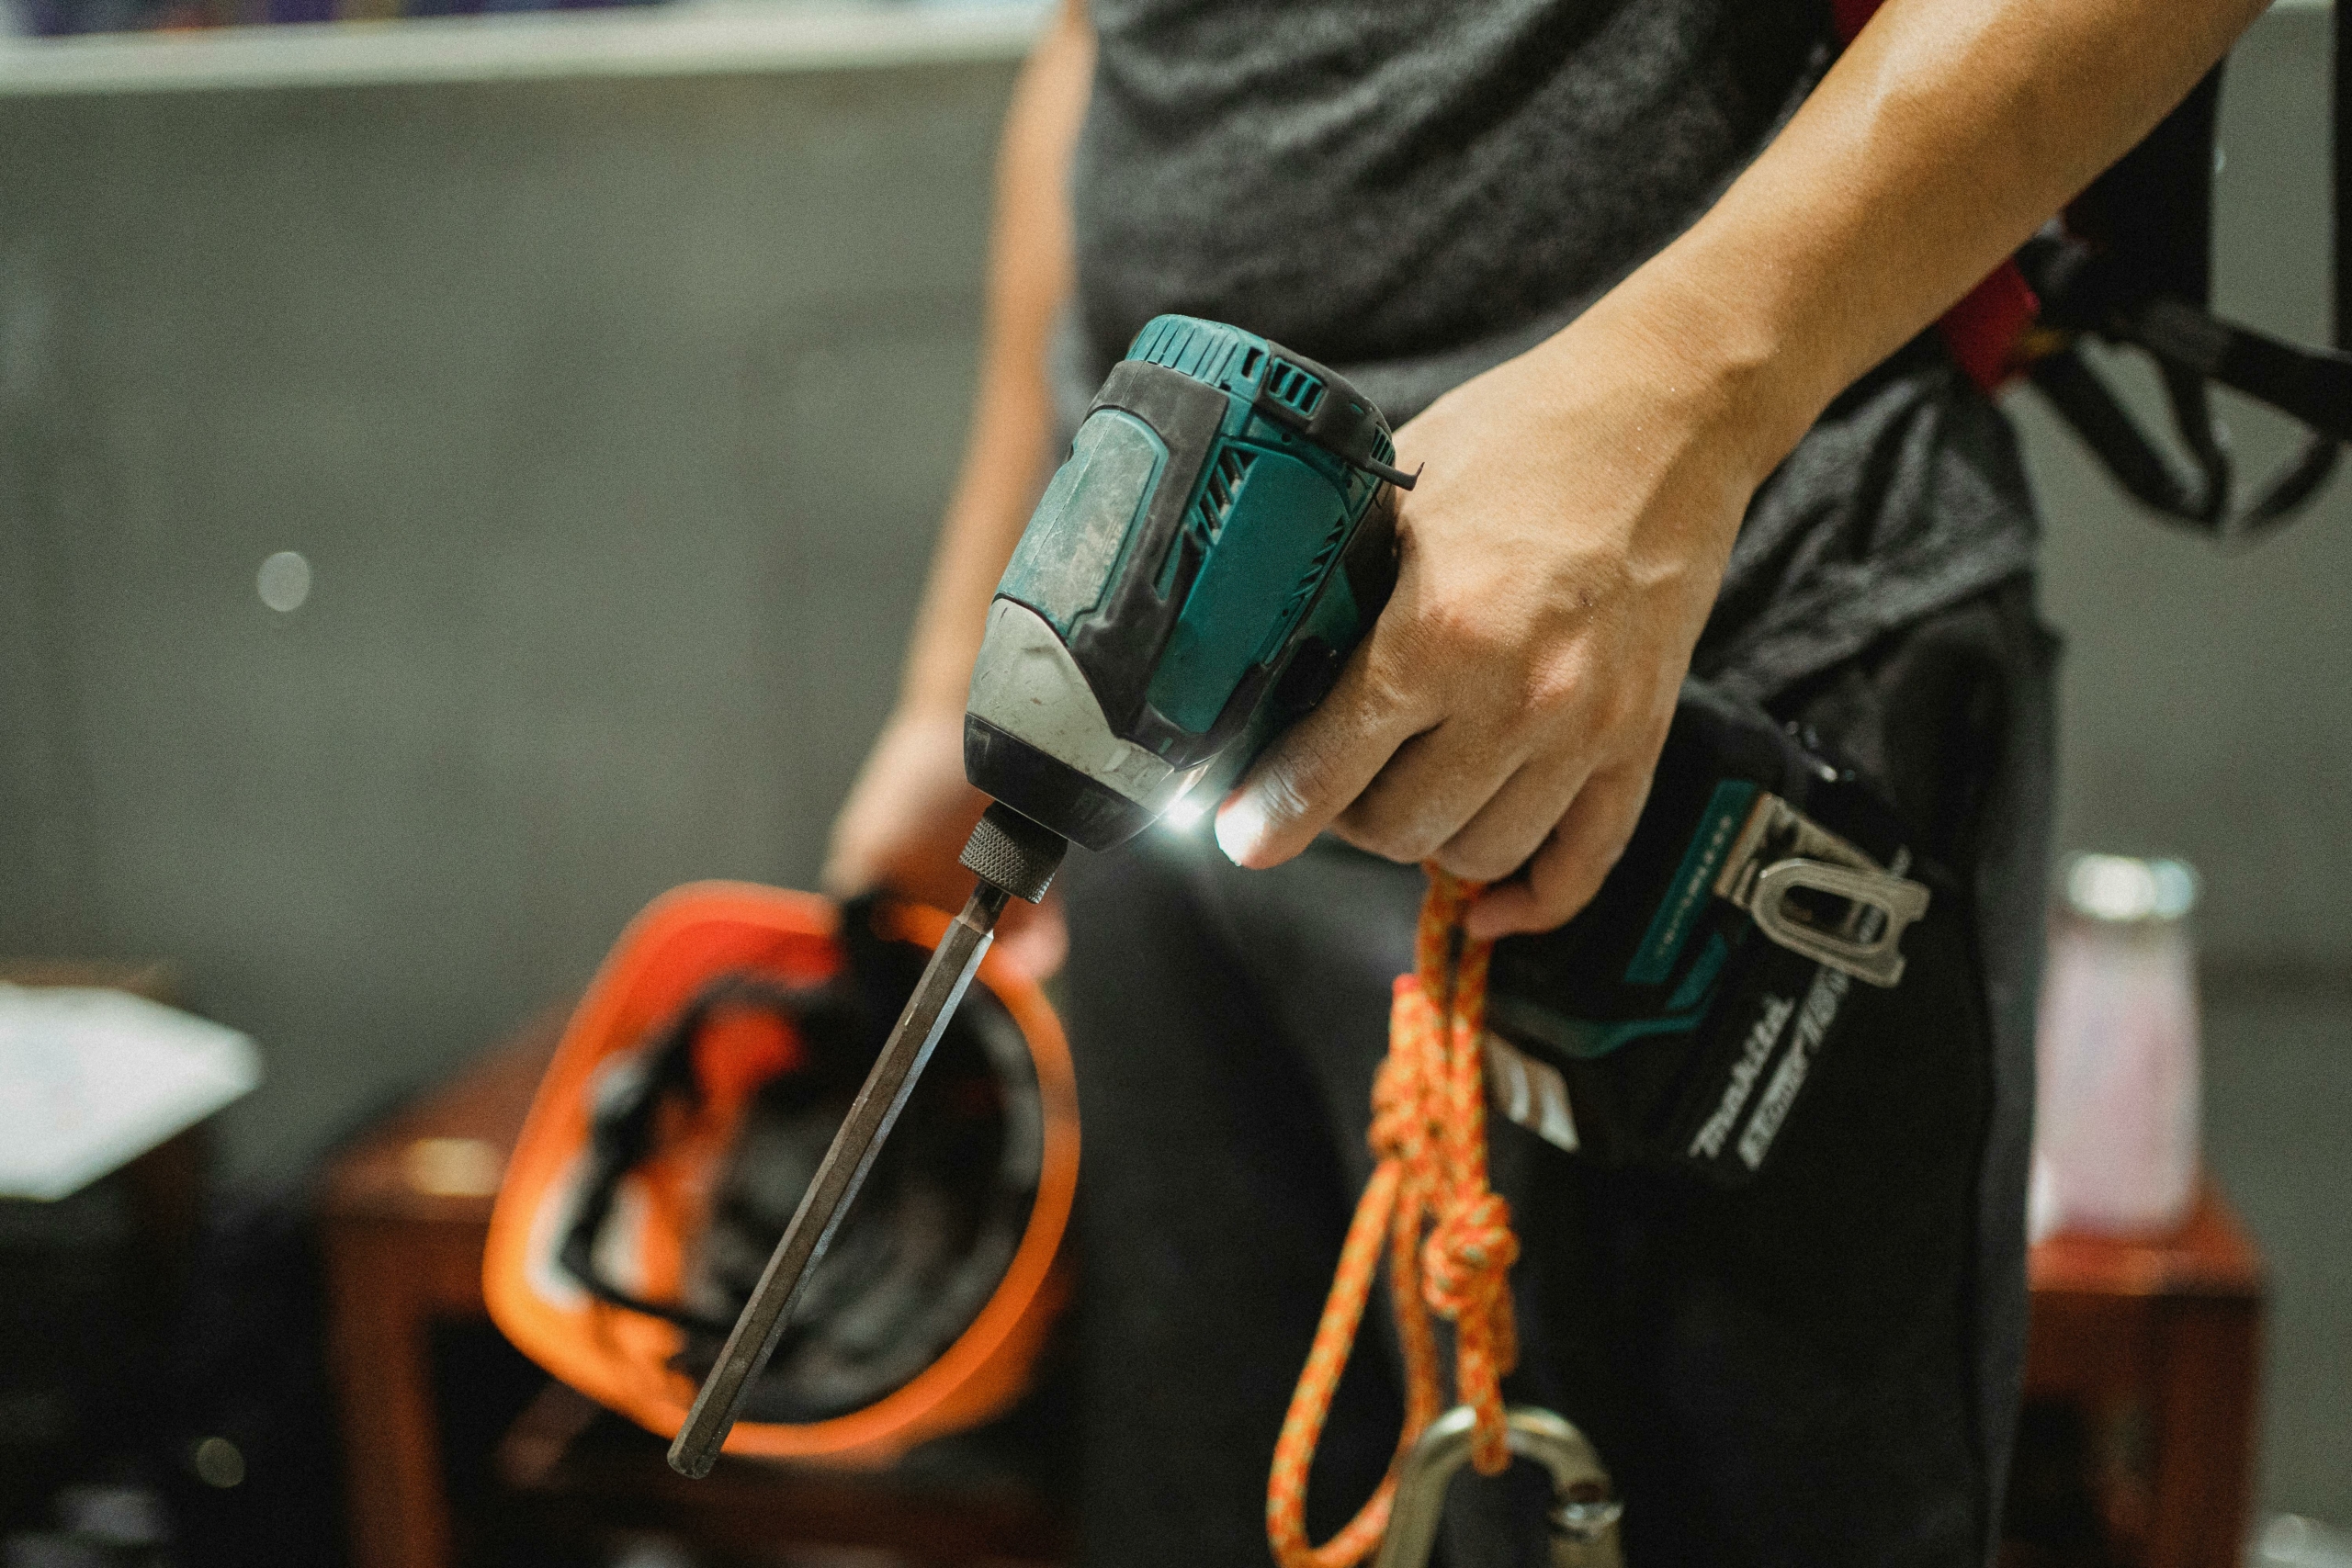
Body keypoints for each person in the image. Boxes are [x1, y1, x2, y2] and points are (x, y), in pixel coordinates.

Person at [823, 0, 2263, 1562]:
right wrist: (962, 667)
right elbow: (1104, 38)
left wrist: (1678, 401)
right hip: (1179, 721)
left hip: (1683, 690)